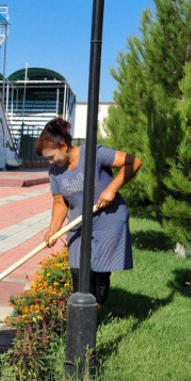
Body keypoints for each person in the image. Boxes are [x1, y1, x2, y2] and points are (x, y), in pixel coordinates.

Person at [37, 117, 141, 310]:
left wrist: (112, 189)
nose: (50, 162)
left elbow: (133, 162)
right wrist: (53, 230)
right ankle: (83, 315)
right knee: (78, 271)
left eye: (52, 156)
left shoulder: (93, 154)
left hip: (108, 220)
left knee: (99, 272)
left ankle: (95, 313)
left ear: (63, 145)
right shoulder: (55, 171)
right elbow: (59, 202)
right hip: (78, 224)